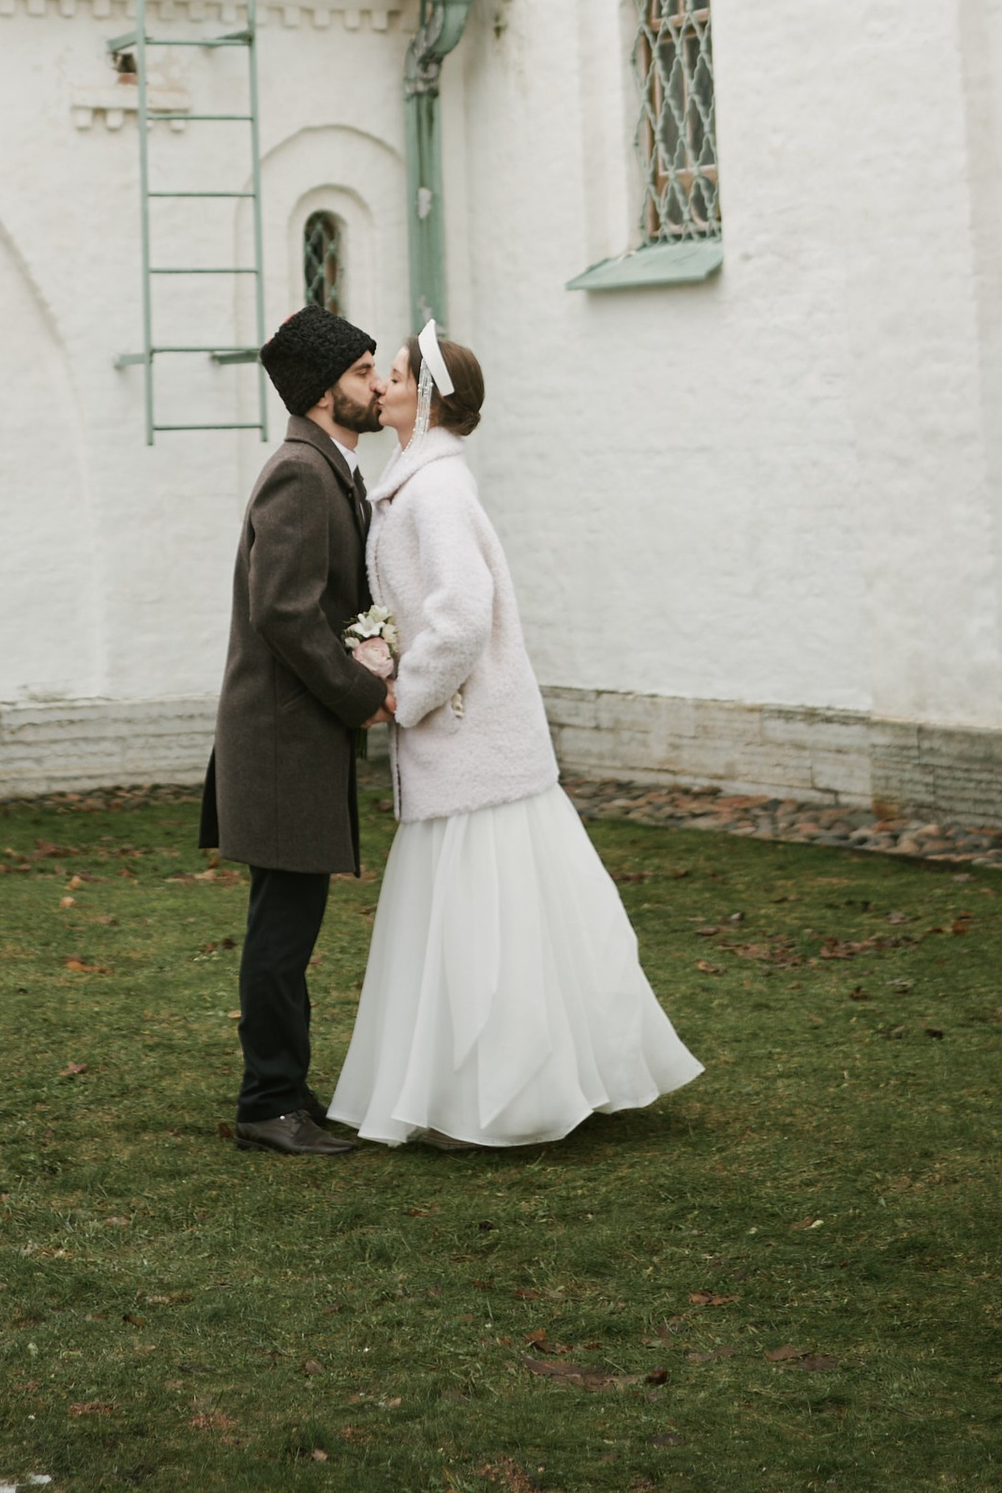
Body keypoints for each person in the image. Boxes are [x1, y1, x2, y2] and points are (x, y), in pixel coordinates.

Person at [326, 321, 703, 1149]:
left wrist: (404, 696)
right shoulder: (419, 484)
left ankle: (503, 1095)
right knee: (473, 922)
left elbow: (461, 617)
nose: (379, 385)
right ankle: (469, 1088)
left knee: (488, 924)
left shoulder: (434, 491)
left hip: (470, 742)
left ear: (423, 398)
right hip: (461, 747)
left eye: (391, 374)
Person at [200, 305, 393, 1156]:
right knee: (283, 933)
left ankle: (286, 1091)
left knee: (291, 924)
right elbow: (283, 610)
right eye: (360, 373)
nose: (376, 385)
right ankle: (267, 1104)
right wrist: (360, 691)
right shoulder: (301, 474)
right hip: (281, 743)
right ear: (323, 392)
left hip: (298, 739)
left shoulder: (334, 469)